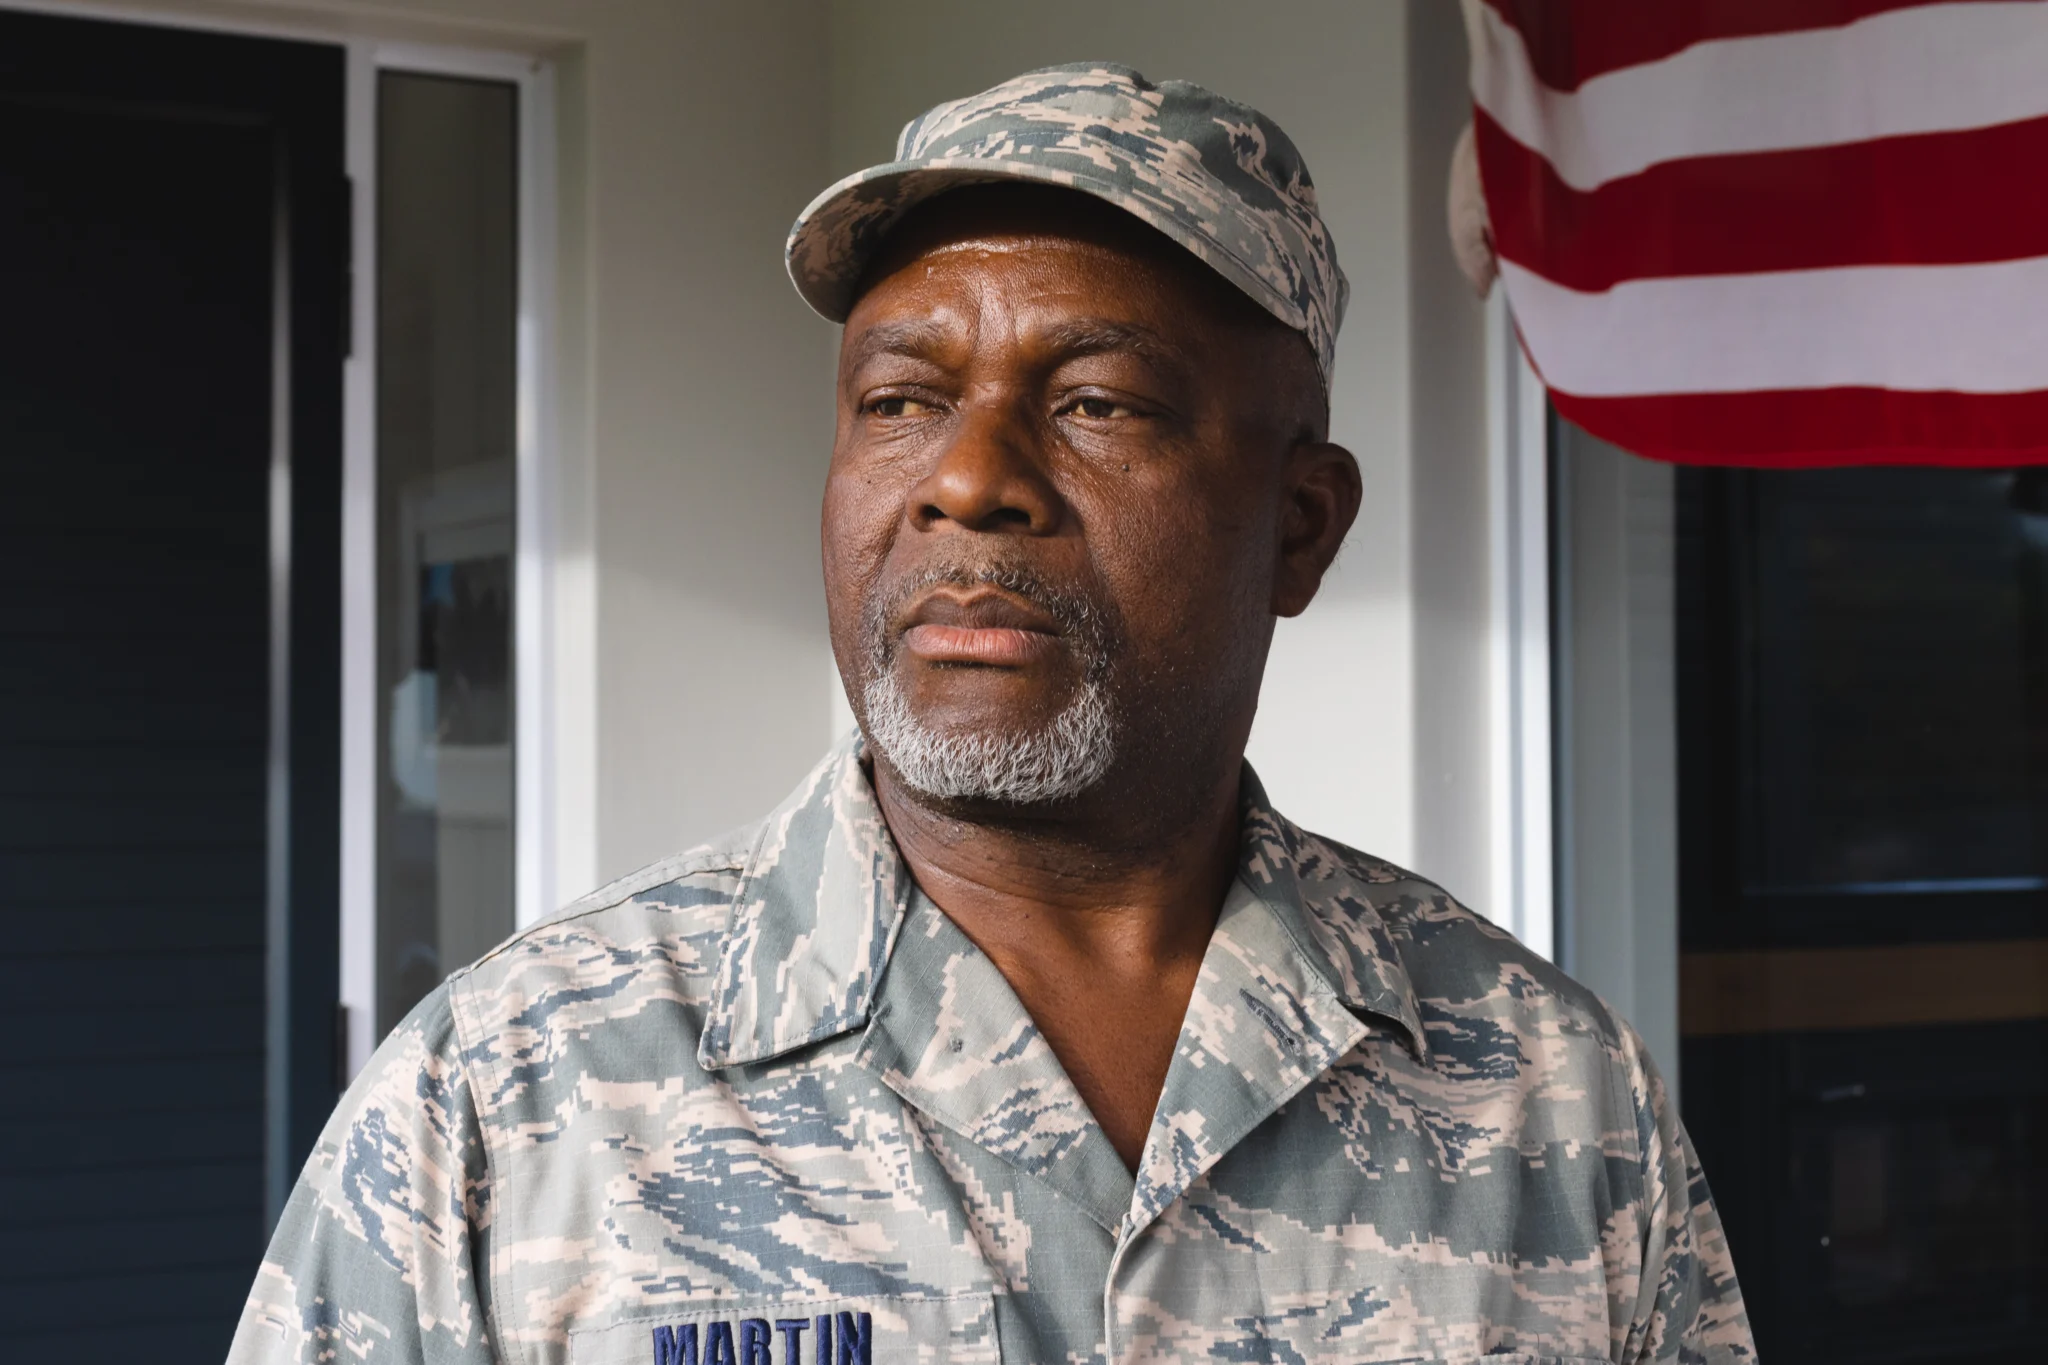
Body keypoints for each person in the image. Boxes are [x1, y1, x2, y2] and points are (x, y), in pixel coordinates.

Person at [229, 63, 1753, 1365]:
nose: (969, 478)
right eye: (899, 401)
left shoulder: (1544, 1095)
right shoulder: (505, 1098)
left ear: (1299, 525)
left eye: (1096, 402)